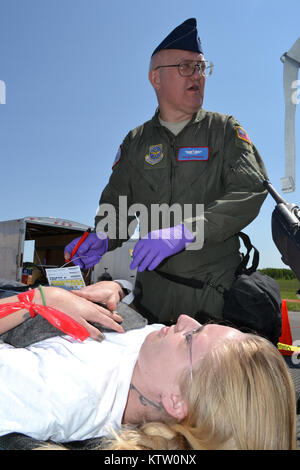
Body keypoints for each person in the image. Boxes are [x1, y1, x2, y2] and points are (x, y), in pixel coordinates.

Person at [64, 18, 268, 327]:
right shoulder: (136, 142)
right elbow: (119, 208)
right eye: (186, 67)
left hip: (214, 297)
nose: (197, 76)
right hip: (153, 301)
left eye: (201, 67)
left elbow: (249, 191)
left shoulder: (224, 131)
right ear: (156, 79)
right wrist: (102, 236)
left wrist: (184, 232)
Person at [0, 297, 297, 450]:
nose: (183, 319)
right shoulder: (157, 358)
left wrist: (38, 298)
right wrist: (106, 292)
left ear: (176, 401)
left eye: (191, 337)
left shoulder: (63, 391)